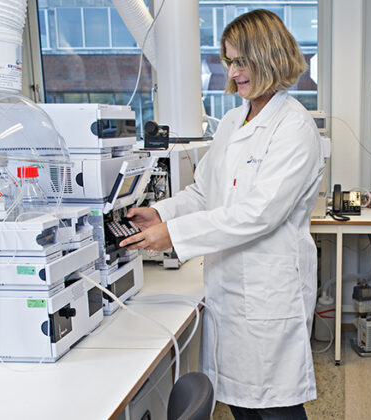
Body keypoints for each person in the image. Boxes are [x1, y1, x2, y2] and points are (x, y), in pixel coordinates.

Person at [120, 9, 324, 419]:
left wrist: (175, 235)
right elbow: (204, 192)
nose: (233, 72)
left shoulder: (294, 127)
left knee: (276, 408)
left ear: (269, 56)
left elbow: (257, 215)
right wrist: (159, 213)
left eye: (242, 61)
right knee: (241, 406)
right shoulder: (233, 121)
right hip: (229, 289)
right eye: (229, 61)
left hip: (269, 292)